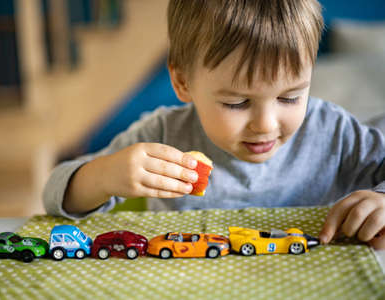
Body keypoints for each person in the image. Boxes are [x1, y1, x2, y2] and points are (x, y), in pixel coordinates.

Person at [43, 0, 385, 249]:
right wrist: (105, 176)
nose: (265, 125)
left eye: (290, 97)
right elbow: (55, 195)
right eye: (236, 103)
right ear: (183, 82)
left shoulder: (335, 134)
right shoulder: (164, 134)